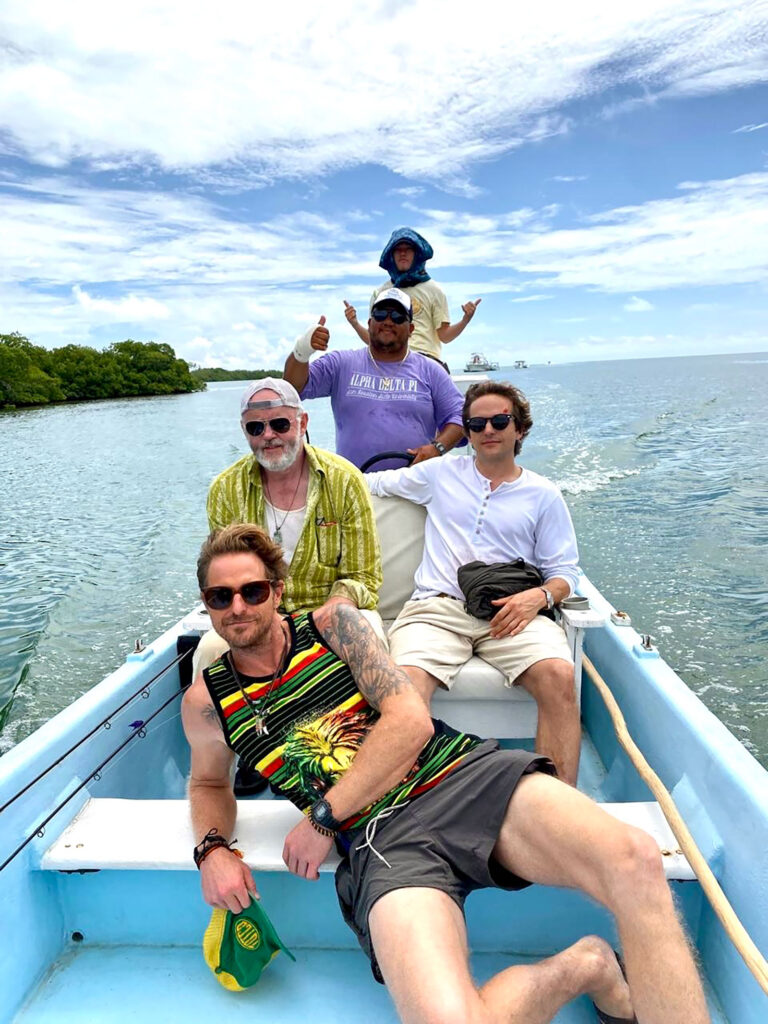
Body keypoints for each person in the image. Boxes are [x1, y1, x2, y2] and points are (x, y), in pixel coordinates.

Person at [182, 522, 709, 1024]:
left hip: (461, 776)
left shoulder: (332, 627)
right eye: (219, 597)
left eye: (252, 591)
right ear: (206, 605)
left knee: (634, 860)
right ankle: (590, 965)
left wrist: (323, 815)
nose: (237, 607)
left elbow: (410, 720)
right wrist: (212, 850)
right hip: (380, 841)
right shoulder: (208, 699)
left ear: (276, 591)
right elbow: (207, 783)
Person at [366, 380, 582, 785]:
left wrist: (536, 599)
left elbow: (565, 573)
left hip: (513, 611)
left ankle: (561, 806)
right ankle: (403, 807)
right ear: (466, 432)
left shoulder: (544, 495)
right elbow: (371, 484)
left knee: (559, 675)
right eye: (476, 423)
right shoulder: (439, 474)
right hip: (436, 609)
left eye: (500, 420)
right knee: (403, 686)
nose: (488, 430)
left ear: (519, 429)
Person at [197, 377, 383, 680]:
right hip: (257, 612)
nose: (268, 435)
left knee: (368, 631)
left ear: (302, 421)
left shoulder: (345, 479)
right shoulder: (225, 489)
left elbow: (364, 576)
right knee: (209, 649)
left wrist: (327, 614)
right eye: (255, 428)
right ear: (244, 431)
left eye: (280, 424)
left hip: (330, 609)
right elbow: (223, 573)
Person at [283, 288, 465, 471]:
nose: (387, 321)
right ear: (370, 323)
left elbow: (459, 417)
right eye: (380, 314)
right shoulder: (340, 363)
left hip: (413, 486)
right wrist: (302, 350)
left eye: (397, 316)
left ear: (411, 329)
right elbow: (292, 389)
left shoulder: (431, 370)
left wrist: (437, 448)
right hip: (354, 485)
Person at [342, 227, 481, 367]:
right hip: (389, 361)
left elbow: (444, 336)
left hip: (426, 361)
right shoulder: (380, 293)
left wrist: (465, 320)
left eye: (408, 249)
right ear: (391, 255)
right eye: (398, 249)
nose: (403, 253)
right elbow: (374, 339)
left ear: (417, 254)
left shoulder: (434, 290)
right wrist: (355, 323)